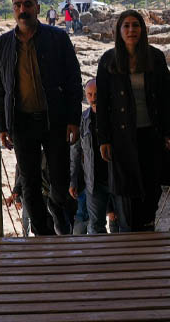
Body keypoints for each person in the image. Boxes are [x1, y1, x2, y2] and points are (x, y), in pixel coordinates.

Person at [0, 0, 82, 236]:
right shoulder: (2, 46)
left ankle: (64, 217)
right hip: (22, 123)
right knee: (29, 185)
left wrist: (74, 119)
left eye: (28, 4)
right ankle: (45, 236)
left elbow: (74, 80)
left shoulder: (58, 38)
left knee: (60, 184)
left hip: (55, 120)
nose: (23, 9)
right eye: (18, 5)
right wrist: (2, 126)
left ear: (38, 8)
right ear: (13, 10)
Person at [96, 9, 170, 232]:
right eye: (127, 26)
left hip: (151, 133)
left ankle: (146, 232)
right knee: (127, 191)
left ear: (142, 29)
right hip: (122, 137)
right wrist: (103, 139)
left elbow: (165, 98)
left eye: (136, 25)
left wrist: (169, 130)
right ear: (119, 31)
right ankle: (131, 236)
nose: (131, 30)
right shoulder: (108, 61)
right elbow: (102, 105)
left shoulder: (156, 58)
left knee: (151, 189)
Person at [70, 78, 118, 234]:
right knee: (96, 226)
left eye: (96, 94)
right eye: (90, 95)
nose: (93, 98)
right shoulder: (83, 119)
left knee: (120, 223)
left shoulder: (116, 116)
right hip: (94, 181)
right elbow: (76, 152)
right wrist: (73, 180)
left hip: (117, 178)